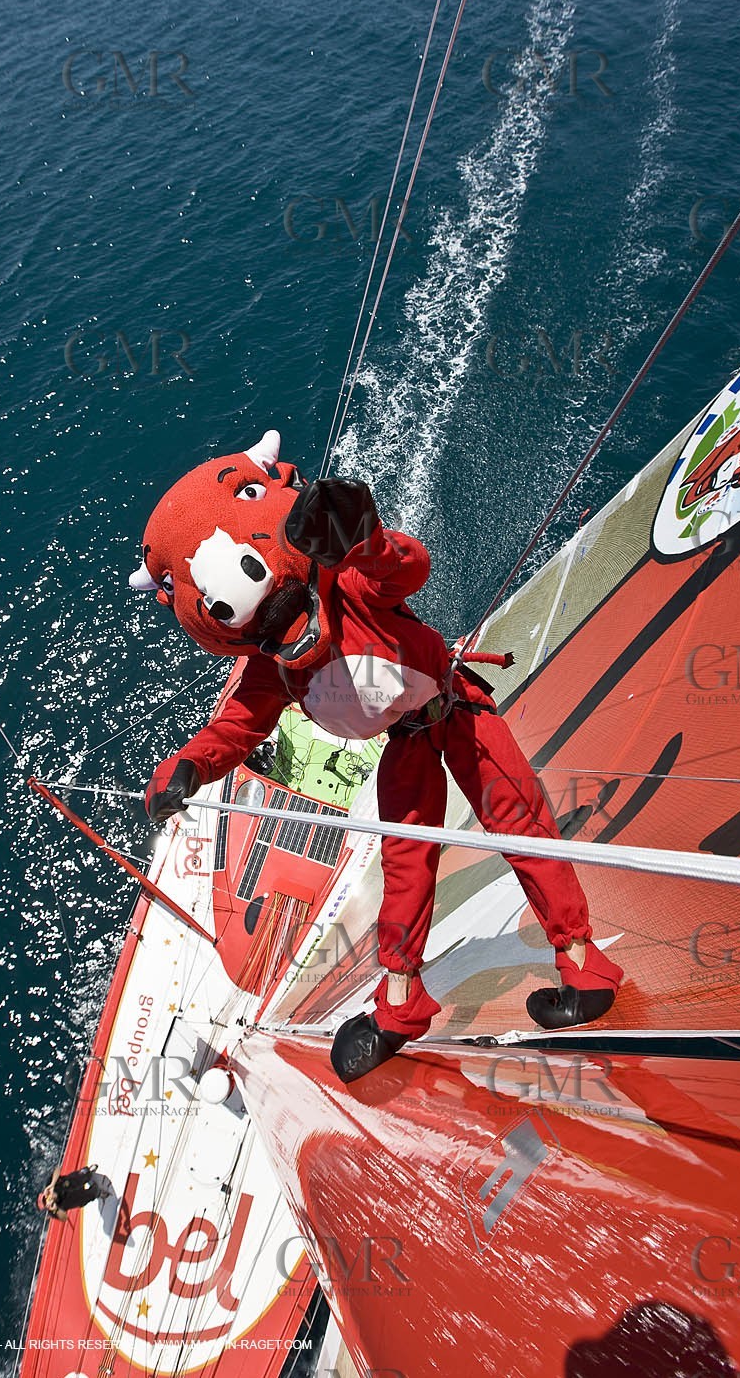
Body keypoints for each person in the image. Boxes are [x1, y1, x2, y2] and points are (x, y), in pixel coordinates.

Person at [128, 430, 623, 1082]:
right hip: (407, 745)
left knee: (519, 822)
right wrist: (183, 771)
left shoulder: (345, 584)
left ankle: (583, 963)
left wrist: (363, 538)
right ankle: (400, 1005)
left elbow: (404, 568)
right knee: (407, 871)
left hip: (456, 710)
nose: (284, 632)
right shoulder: (268, 669)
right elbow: (236, 729)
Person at [37, 1164, 109, 1222]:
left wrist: (52, 1184)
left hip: (74, 1181)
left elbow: (58, 1169)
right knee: (85, 1197)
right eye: (45, 1203)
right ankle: (96, 1192)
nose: (48, 1199)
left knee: (82, 1176)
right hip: (75, 1197)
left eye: (45, 1198)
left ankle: (88, 1172)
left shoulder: (49, 1185)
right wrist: (56, 1209)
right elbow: (64, 1218)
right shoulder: (53, 1211)